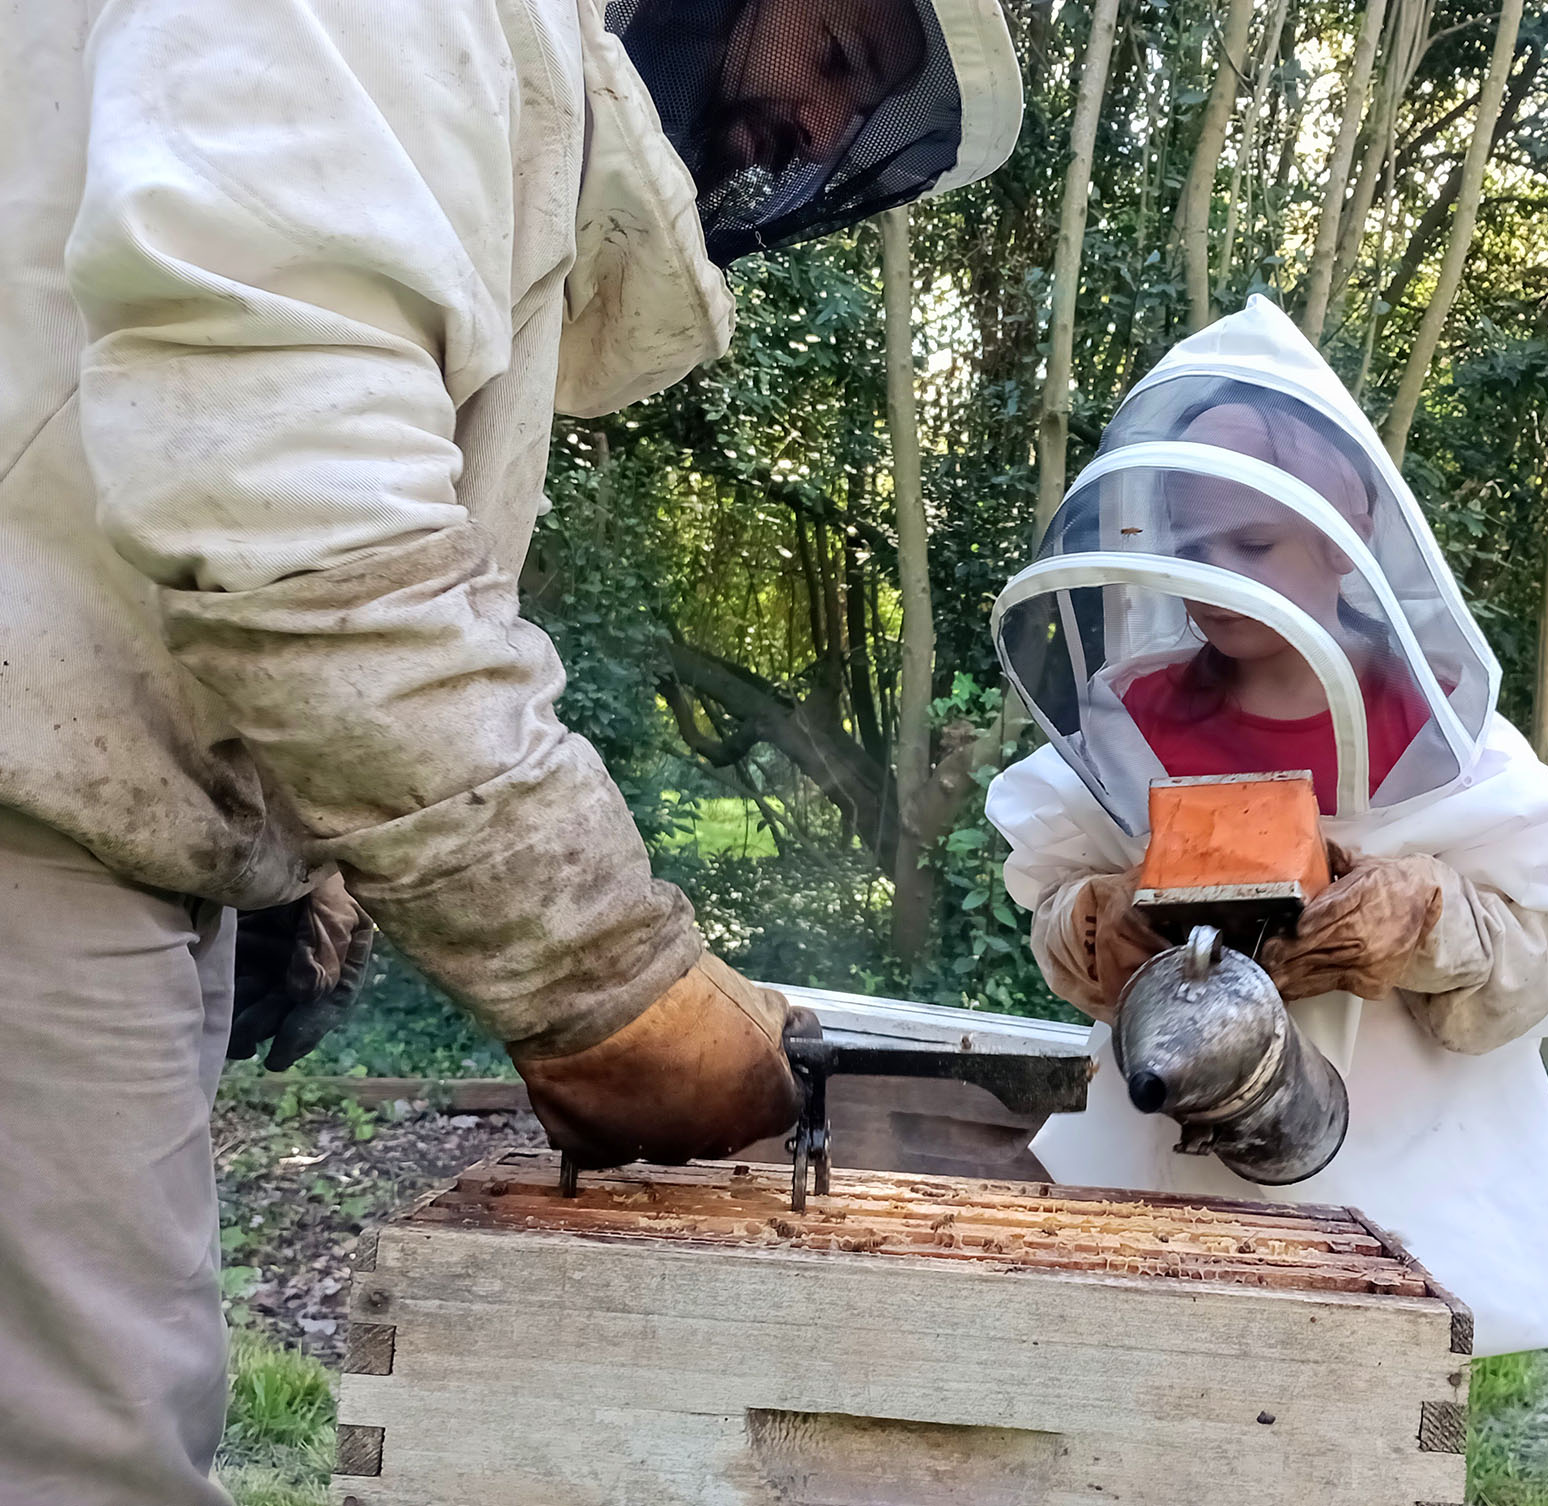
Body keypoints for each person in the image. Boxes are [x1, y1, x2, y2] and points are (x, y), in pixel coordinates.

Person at [0, 1, 1020, 1501]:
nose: (816, 124)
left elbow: (201, 425)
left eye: (858, 100)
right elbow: (301, 515)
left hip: (77, 802)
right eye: (839, 53)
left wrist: (296, 845)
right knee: (85, 1458)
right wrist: (605, 979)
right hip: (28, 827)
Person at [987, 295, 1548, 1355]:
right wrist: (1097, 923)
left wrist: (1432, 917)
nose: (1213, 577)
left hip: (1400, 1213)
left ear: (1349, 538)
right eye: (1192, 544)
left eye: (1251, 541)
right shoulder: (1128, 722)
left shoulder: (1446, 738)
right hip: (1163, 1191)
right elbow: (1055, 919)